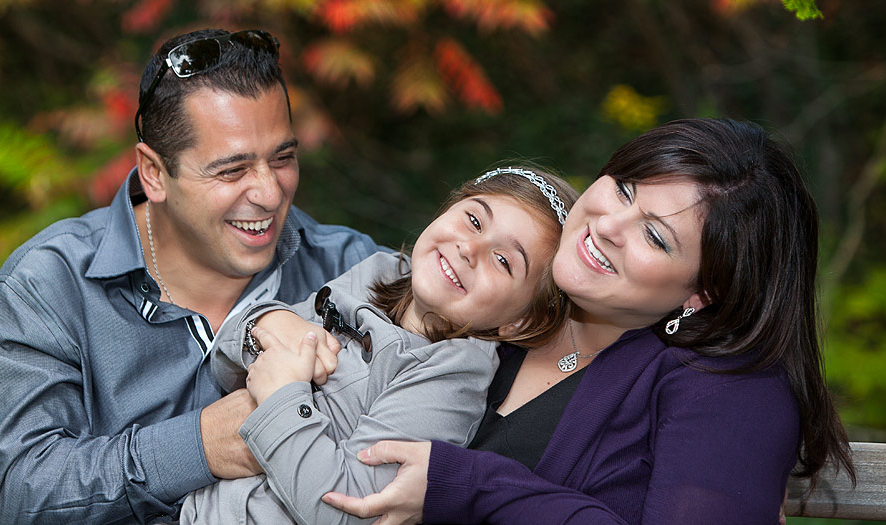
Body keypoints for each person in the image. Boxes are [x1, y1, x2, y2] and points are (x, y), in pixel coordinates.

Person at [323, 118, 855, 524]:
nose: (608, 225)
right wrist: (265, 331)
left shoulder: (733, 392)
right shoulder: (509, 297)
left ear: (702, 291)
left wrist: (466, 485)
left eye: (654, 235)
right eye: (624, 189)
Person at [0, 28, 379, 525]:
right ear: (154, 174)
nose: (270, 194)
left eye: (283, 158)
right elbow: (16, 500)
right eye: (232, 171)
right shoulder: (45, 291)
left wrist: (442, 481)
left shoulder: (351, 268)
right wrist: (201, 445)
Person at [175, 165, 579, 525]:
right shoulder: (378, 273)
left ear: (518, 321)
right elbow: (224, 363)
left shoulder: (453, 373)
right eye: (474, 220)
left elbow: (345, 508)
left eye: (504, 261)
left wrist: (282, 395)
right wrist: (264, 322)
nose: (469, 250)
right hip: (189, 507)